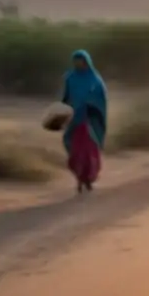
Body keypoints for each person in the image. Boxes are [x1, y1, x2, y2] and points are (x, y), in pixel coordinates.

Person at [60, 50, 107, 194]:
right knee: (76, 152)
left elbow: (101, 99)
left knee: (89, 152)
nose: (78, 63)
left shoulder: (95, 79)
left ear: (87, 61)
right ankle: (80, 179)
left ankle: (88, 180)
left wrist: (90, 105)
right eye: (76, 60)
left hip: (90, 121)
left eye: (81, 60)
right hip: (74, 119)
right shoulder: (70, 78)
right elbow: (66, 97)